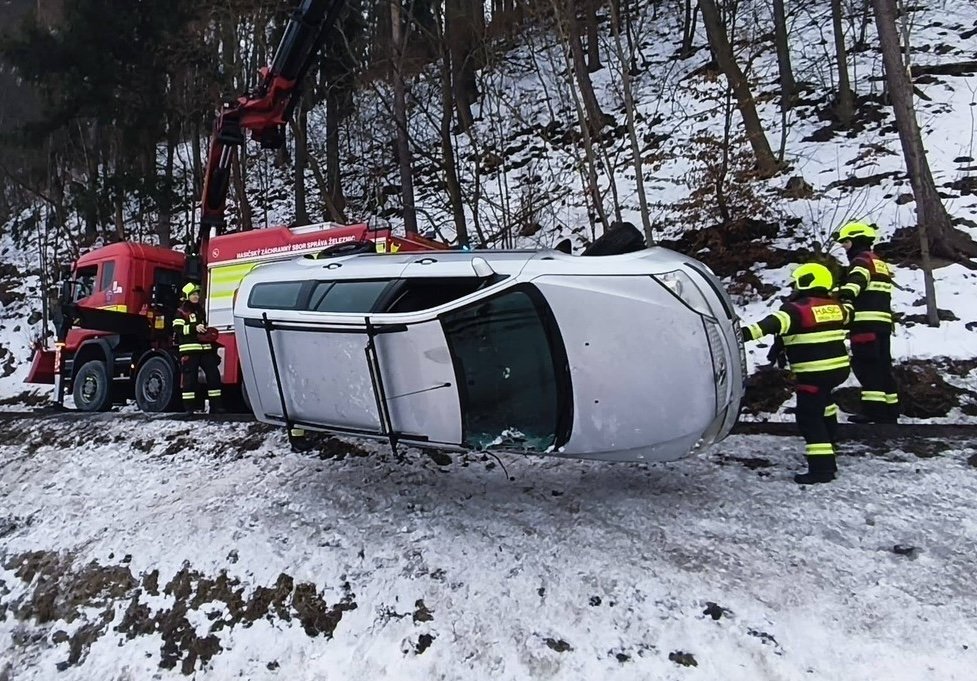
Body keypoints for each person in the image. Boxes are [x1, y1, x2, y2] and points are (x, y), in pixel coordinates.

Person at [741, 263, 851, 484]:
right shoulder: (837, 307)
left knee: (809, 418)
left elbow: (764, 327)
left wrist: (735, 334)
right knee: (826, 405)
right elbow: (849, 316)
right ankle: (831, 443)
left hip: (814, 373)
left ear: (805, 282)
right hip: (838, 370)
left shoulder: (794, 310)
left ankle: (822, 469)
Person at [832, 221, 898, 423]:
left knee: (866, 367)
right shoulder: (878, 262)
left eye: (846, 242)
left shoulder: (860, 261)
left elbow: (856, 285)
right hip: (883, 325)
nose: (844, 247)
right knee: (882, 367)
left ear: (857, 240)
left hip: (864, 325)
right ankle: (891, 412)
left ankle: (874, 412)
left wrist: (836, 295)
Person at [173, 282, 224, 414]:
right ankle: (189, 408)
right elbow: (177, 329)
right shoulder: (181, 311)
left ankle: (216, 407)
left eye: (197, 294)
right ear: (187, 296)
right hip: (190, 350)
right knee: (190, 380)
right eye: (193, 294)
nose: (196, 296)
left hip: (205, 349)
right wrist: (193, 327)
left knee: (214, 376)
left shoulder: (200, 310)